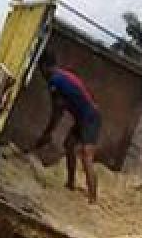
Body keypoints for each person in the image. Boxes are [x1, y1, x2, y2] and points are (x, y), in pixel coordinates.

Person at [33, 50, 102, 204]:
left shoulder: (55, 81)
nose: (40, 74)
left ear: (45, 67)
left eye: (40, 69)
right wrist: (48, 132)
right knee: (69, 144)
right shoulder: (61, 76)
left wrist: (47, 133)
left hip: (90, 117)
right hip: (83, 117)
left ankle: (93, 200)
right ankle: (71, 184)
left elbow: (57, 112)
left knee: (86, 156)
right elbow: (60, 109)